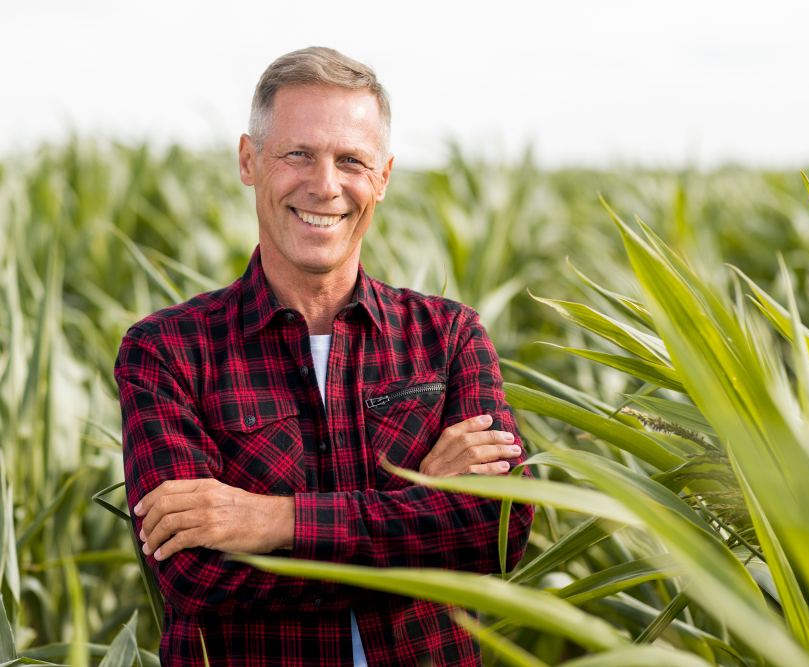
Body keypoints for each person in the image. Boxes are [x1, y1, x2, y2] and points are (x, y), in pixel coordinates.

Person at [114, 47, 533, 667]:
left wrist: (274, 520)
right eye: (298, 154)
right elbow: (198, 579)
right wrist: (419, 513)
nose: (325, 185)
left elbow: (495, 533)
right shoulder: (167, 352)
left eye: (351, 161)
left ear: (383, 177)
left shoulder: (448, 337)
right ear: (249, 160)